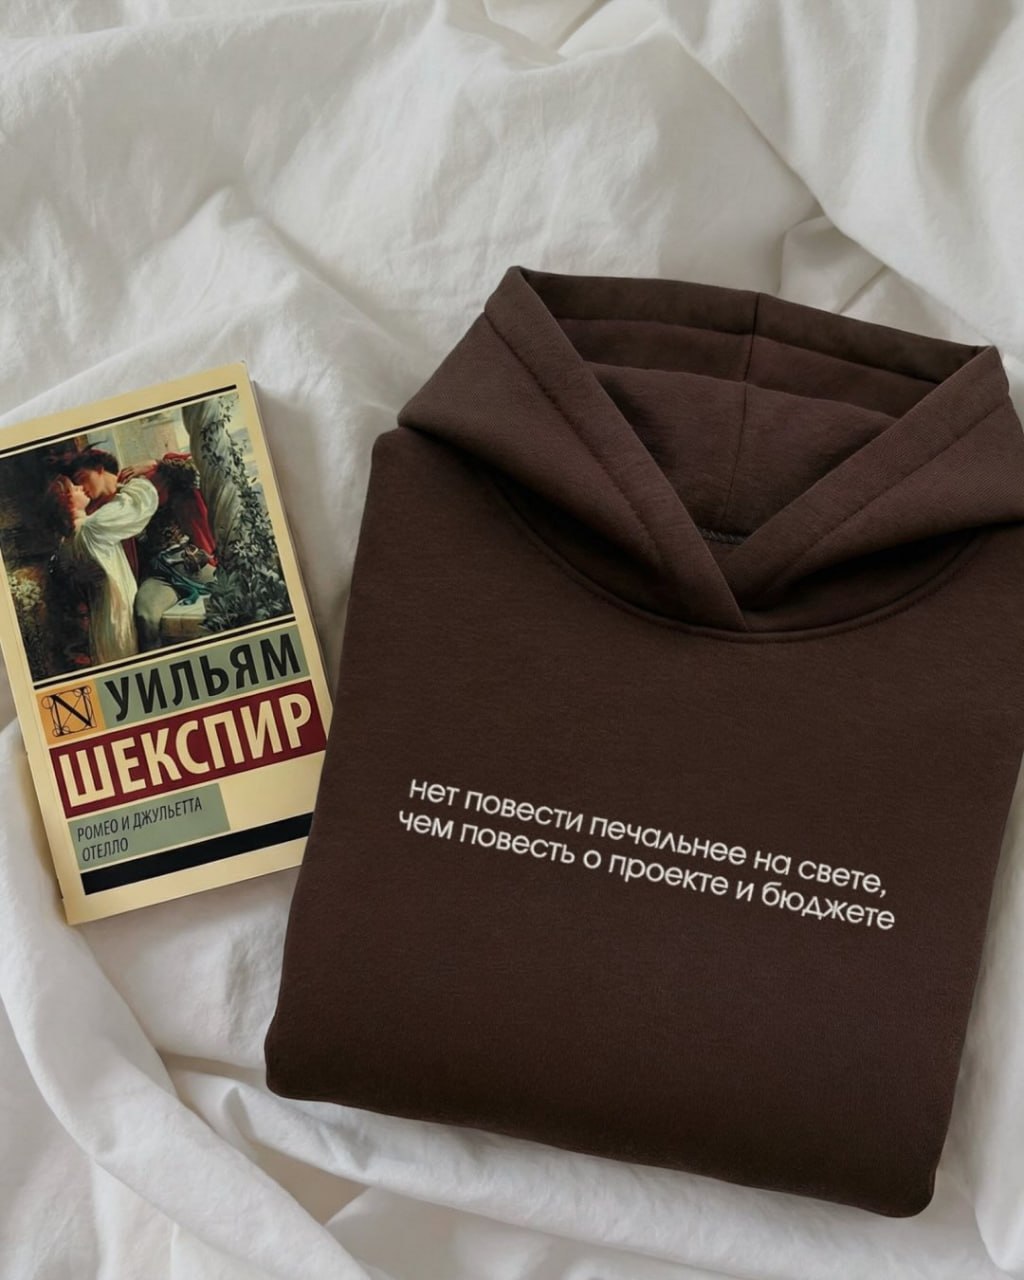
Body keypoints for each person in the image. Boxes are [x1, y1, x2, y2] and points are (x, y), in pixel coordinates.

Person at [70, 448, 217, 651]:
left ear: (99, 469)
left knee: (235, 593)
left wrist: (157, 463)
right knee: (144, 616)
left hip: (188, 561)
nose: (81, 487)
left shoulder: (145, 479)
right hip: (156, 576)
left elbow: (199, 469)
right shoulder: (97, 514)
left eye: (82, 478)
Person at [43, 472, 159, 665]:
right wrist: (123, 484)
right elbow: (140, 503)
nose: (81, 487)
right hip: (118, 612)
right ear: (67, 501)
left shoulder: (66, 543)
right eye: (74, 488)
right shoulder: (93, 528)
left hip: (100, 619)